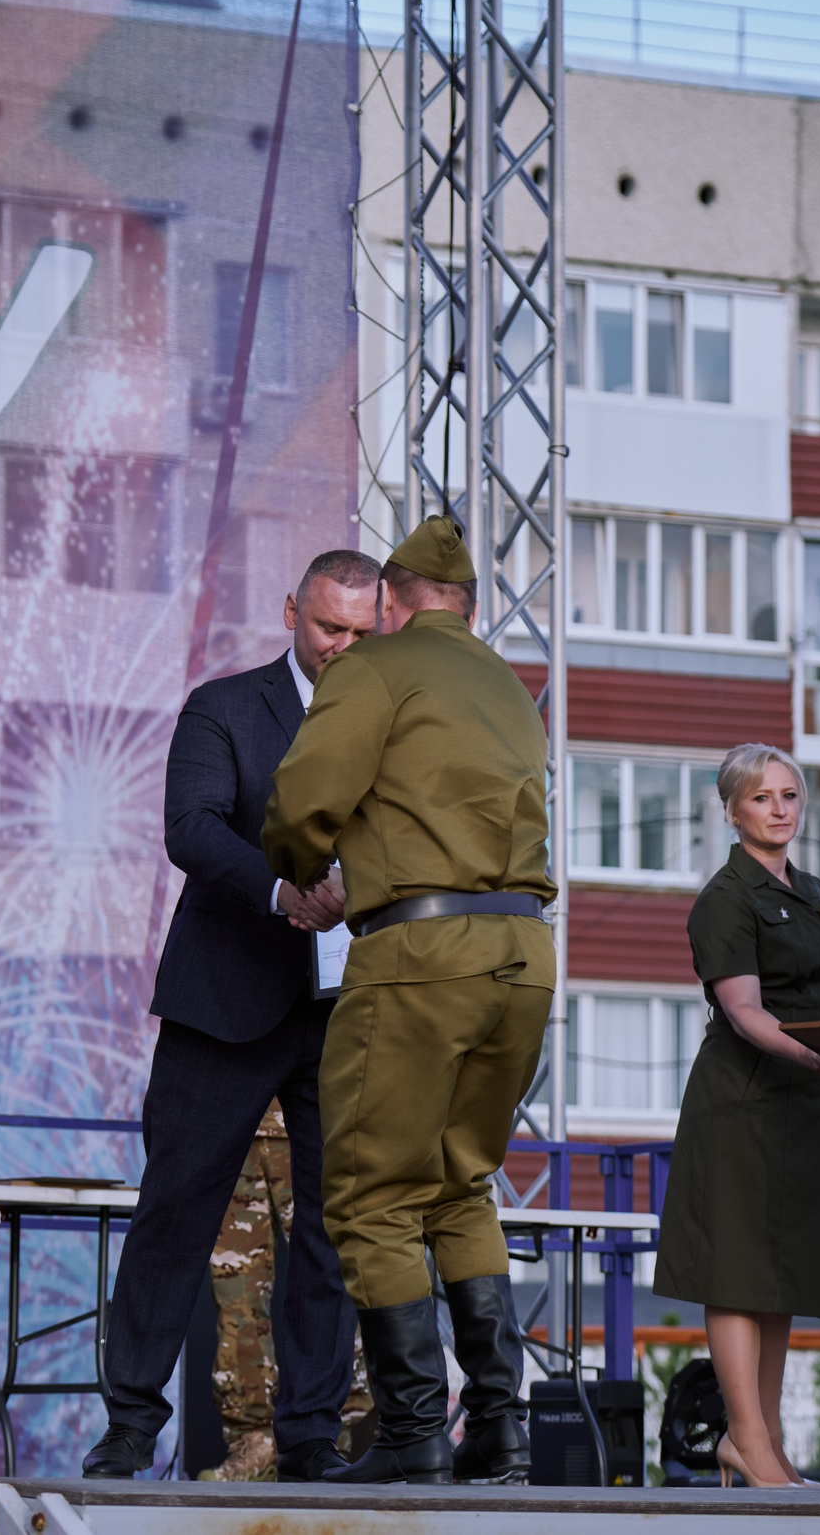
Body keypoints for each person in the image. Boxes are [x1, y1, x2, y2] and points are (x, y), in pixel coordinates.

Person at [261, 515, 557, 1487]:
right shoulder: (511, 689)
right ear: (466, 606)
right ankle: (501, 1432)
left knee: (371, 1196)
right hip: (522, 955)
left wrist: (300, 869)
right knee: (459, 1185)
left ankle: (412, 1435)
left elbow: (306, 798)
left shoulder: (375, 668)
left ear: (390, 600)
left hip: (421, 955)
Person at [82, 550, 379, 1482]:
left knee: (332, 1232)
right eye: (329, 626)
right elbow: (192, 827)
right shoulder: (225, 705)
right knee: (175, 1214)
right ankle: (132, 1424)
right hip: (226, 999)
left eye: (363, 633)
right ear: (293, 610)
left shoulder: (394, 720)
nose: (342, 646)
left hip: (345, 1009)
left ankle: (310, 1435)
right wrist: (282, 890)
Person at [653, 746, 820, 1487]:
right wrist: (810, 1054)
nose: (780, 809)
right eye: (762, 798)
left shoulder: (814, 890)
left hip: (806, 1102)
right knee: (738, 1274)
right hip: (745, 1099)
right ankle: (744, 1438)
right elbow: (744, 1009)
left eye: (790, 795)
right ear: (731, 810)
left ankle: (767, 1444)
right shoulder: (725, 896)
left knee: (780, 1277)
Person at [204, 1102, 373, 1481]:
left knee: (331, 1279)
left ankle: (332, 1437)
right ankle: (254, 1443)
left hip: (314, 1118)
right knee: (236, 1297)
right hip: (234, 1120)